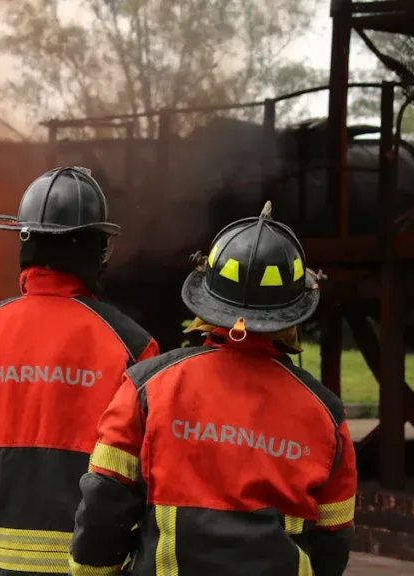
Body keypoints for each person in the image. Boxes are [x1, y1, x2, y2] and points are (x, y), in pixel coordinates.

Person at [69, 202, 357, 576]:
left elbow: (105, 502)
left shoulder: (148, 388)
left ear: (206, 300)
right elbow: (333, 541)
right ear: (293, 311)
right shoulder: (325, 414)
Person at [0, 166, 159, 575]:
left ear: (26, 241)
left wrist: (1, 504)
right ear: (95, 250)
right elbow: (148, 469)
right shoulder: (132, 345)